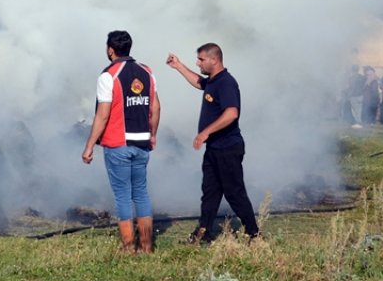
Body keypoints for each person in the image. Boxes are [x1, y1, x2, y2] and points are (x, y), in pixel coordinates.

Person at [166, 43, 260, 244]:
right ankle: (203, 234)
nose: (197, 62)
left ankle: (254, 235)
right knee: (210, 193)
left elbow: (231, 113)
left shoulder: (226, 83)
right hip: (214, 149)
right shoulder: (213, 81)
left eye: (201, 59)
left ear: (214, 60)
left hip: (228, 148)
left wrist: (205, 133)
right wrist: (179, 66)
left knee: (235, 193)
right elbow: (200, 83)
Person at [79, 30, 161, 253]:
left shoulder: (108, 76)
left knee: (123, 195)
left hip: (118, 144)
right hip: (142, 142)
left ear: (110, 49)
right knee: (141, 193)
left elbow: (102, 115)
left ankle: (128, 247)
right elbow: (155, 107)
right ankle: (146, 246)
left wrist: (89, 147)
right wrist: (152, 134)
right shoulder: (147, 72)